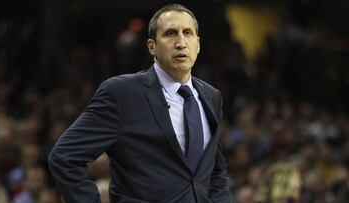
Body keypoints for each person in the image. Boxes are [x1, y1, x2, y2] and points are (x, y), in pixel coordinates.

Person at [48, 4, 232, 203]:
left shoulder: (211, 96)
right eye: (170, 33)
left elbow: (214, 171)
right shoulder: (122, 94)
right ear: (151, 46)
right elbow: (64, 156)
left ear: (197, 44)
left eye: (187, 33)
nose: (180, 42)